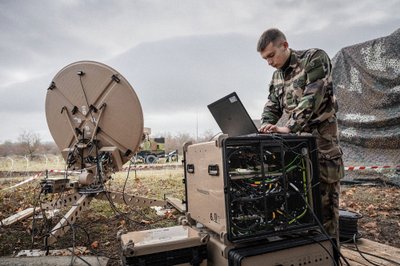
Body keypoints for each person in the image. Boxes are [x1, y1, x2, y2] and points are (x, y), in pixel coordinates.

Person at [256, 28, 344, 244]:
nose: (269, 62)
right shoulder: (277, 76)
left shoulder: (314, 58)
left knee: (325, 208)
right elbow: (272, 105)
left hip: (321, 144)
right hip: (295, 147)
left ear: (284, 46)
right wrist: (265, 125)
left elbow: (313, 95)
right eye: (264, 59)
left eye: (271, 55)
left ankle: (330, 254)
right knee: (297, 203)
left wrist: (290, 127)